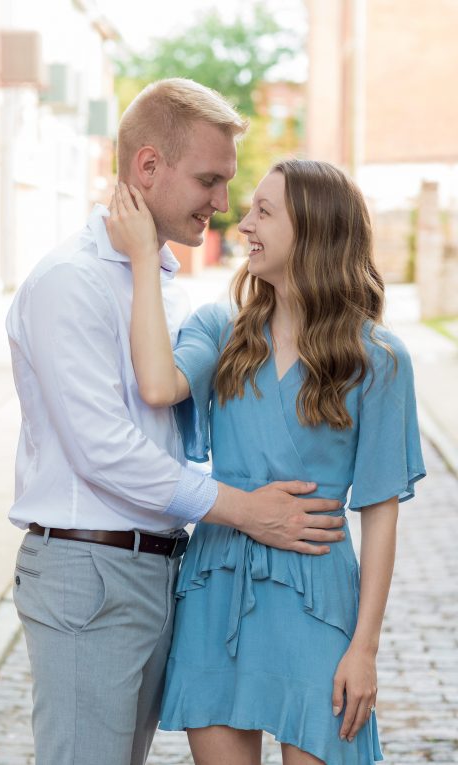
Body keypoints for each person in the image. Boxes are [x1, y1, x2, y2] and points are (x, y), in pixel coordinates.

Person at [5, 79, 348, 765]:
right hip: (88, 569)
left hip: (155, 568)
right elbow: (104, 448)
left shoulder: (160, 283)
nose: (222, 205)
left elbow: (166, 406)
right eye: (209, 180)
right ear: (148, 167)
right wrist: (243, 510)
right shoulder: (71, 281)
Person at [107, 160, 425, 764]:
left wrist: (365, 649)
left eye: (263, 212)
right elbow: (156, 384)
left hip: (316, 597)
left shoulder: (378, 358)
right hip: (216, 586)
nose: (243, 221)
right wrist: (145, 259)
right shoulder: (219, 328)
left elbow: (380, 516)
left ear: (313, 230)